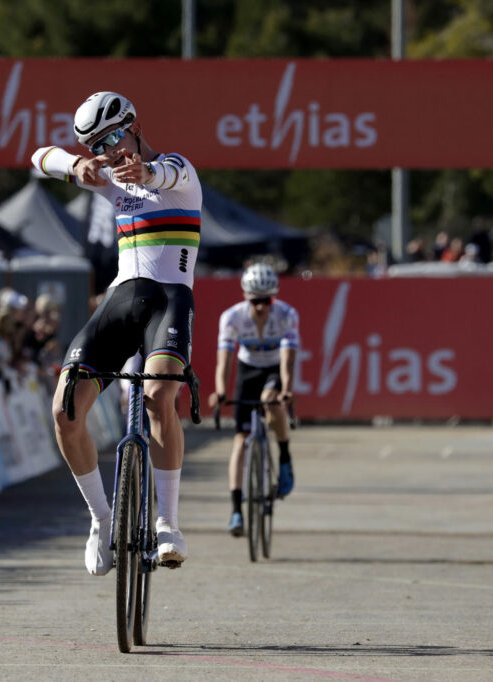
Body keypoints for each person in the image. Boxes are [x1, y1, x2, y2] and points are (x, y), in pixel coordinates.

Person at [32, 91, 202, 575]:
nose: (108, 151)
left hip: (169, 301)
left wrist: (146, 175)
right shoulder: (106, 178)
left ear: (135, 125)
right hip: (121, 300)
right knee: (65, 409)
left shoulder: (176, 170)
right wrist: (74, 167)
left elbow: (166, 173)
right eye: (96, 146)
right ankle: (101, 521)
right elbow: (38, 157)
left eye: (113, 137)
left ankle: (168, 523)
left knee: (159, 394)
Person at [208, 263, 299, 536]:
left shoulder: (286, 315)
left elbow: (288, 360)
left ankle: (283, 456)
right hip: (247, 371)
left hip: (274, 369)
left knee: (271, 400)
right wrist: (221, 390)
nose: (261, 307)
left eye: (266, 300)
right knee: (240, 440)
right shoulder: (232, 317)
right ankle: (236, 510)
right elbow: (224, 360)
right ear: (246, 297)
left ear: (274, 297)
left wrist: (287, 390)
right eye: (255, 301)